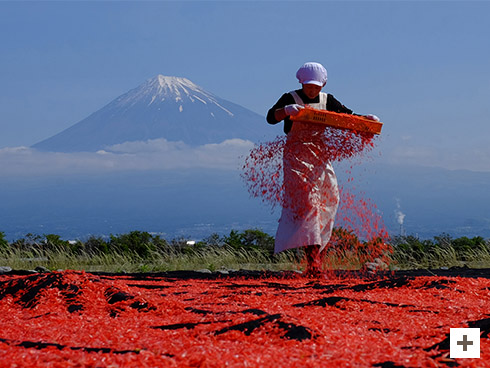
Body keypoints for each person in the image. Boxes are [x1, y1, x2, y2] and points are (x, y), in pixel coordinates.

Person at [266, 62, 379, 274]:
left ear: (323, 84)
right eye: (309, 86)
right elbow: (271, 117)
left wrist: (366, 120)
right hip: (297, 156)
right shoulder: (291, 97)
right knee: (308, 204)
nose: (312, 90)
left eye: (316, 86)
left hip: (320, 155)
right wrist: (285, 111)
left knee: (329, 200)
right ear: (301, 82)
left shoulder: (328, 100)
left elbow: (347, 116)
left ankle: (320, 255)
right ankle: (313, 261)